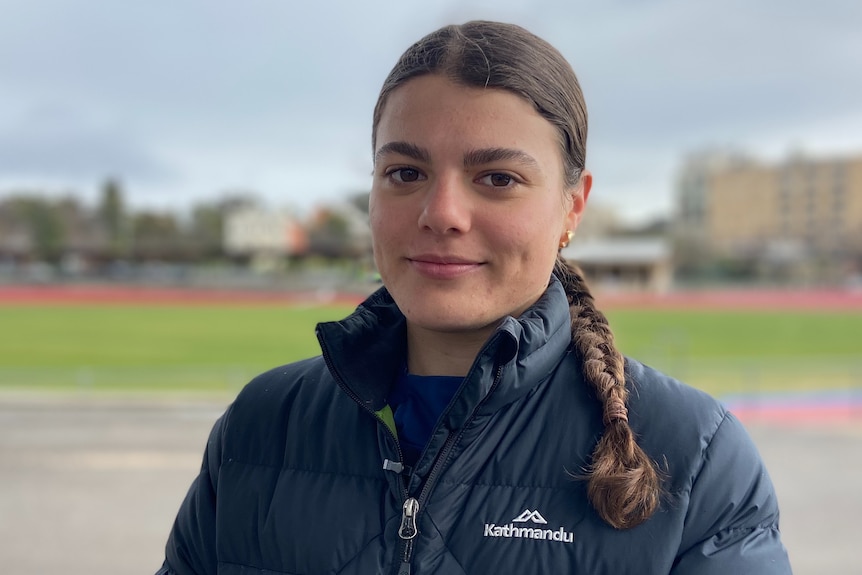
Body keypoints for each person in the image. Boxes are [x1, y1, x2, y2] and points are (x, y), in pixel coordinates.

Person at [158, 21, 791, 574]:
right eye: (406, 173)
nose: (443, 214)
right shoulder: (263, 425)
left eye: (497, 178)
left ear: (573, 206)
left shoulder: (696, 455)